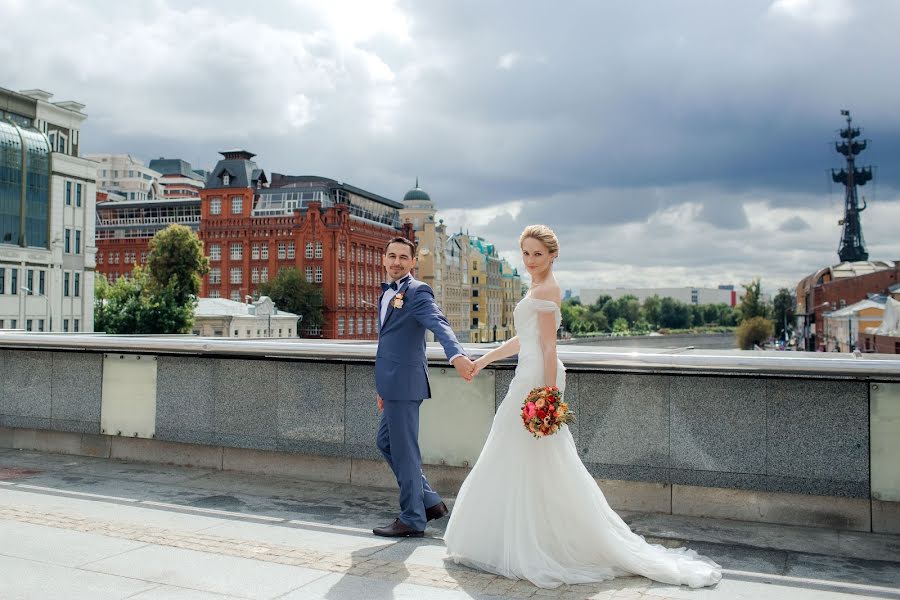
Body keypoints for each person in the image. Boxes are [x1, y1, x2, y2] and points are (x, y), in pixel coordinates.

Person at [443, 225, 722, 589]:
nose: (530, 261)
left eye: (537, 254)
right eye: (525, 253)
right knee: (524, 456)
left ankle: (539, 542)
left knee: (535, 455)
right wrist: (482, 360)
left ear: (552, 255)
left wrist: (545, 396)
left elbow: (548, 347)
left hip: (537, 379)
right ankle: (522, 538)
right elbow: (523, 339)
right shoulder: (535, 288)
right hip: (529, 374)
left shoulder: (548, 289)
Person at [372, 237, 476, 538]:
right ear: (384, 259)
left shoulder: (417, 291)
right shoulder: (385, 294)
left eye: (403, 257)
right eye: (391, 256)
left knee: (405, 453)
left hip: (405, 384)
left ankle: (412, 518)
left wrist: (455, 354)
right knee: (387, 444)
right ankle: (429, 501)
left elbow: (439, 323)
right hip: (392, 384)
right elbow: (387, 344)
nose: (397, 262)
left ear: (413, 262)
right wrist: (382, 387)